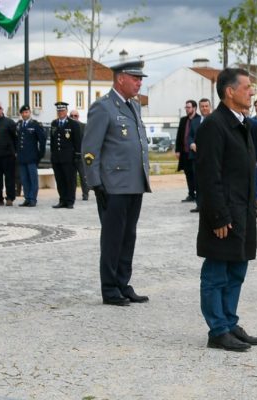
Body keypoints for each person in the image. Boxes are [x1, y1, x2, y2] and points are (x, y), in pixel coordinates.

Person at [195, 67, 257, 352]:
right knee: (216, 272)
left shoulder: (244, 123)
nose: (252, 92)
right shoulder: (214, 125)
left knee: (237, 270)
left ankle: (230, 321)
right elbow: (209, 176)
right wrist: (218, 216)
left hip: (243, 211)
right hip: (224, 214)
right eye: (247, 87)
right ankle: (218, 330)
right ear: (230, 92)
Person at [82, 60, 152, 306]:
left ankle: (123, 283)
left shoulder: (134, 107)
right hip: (113, 185)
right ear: (120, 79)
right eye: (135, 78)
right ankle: (110, 288)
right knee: (113, 238)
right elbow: (90, 149)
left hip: (134, 183)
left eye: (140, 78)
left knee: (128, 236)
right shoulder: (103, 108)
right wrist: (95, 183)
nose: (139, 82)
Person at [49, 101, 83, 209]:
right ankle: (62, 200)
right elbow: (53, 141)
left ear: (66, 111)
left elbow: (77, 141)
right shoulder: (54, 123)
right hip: (57, 158)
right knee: (60, 180)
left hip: (69, 158)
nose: (60, 112)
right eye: (59, 110)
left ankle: (70, 201)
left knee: (70, 180)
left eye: (62, 110)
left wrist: (77, 155)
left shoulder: (73, 124)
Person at [14, 105, 46, 207]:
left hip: (32, 157)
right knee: (24, 179)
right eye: (23, 113)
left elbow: (42, 140)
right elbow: (16, 140)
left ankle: (32, 199)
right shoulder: (19, 125)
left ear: (30, 113)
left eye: (26, 112)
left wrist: (40, 155)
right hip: (22, 157)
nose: (24, 114)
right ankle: (27, 198)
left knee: (33, 179)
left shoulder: (35, 124)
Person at [175, 99, 202, 205]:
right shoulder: (183, 120)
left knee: (196, 174)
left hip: (195, 152)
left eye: (188, 107)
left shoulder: (200, 119)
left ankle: (198, 194)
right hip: (184, 152)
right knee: (188, 174)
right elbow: (179, 136)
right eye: (186, 107)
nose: (187, 109)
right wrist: (177, 150)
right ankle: (191, 194)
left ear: (194, 108)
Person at [68, 110, 90, 201]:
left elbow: (88, 141)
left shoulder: (84, 126)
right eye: (72, 116)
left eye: (75, 116)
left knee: (83, 176)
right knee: (71, 177)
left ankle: (85, 194)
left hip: (81, 155)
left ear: (78, 116)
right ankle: (71, 195)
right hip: (70, 156)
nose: (74, 117)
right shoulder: (67, 126)